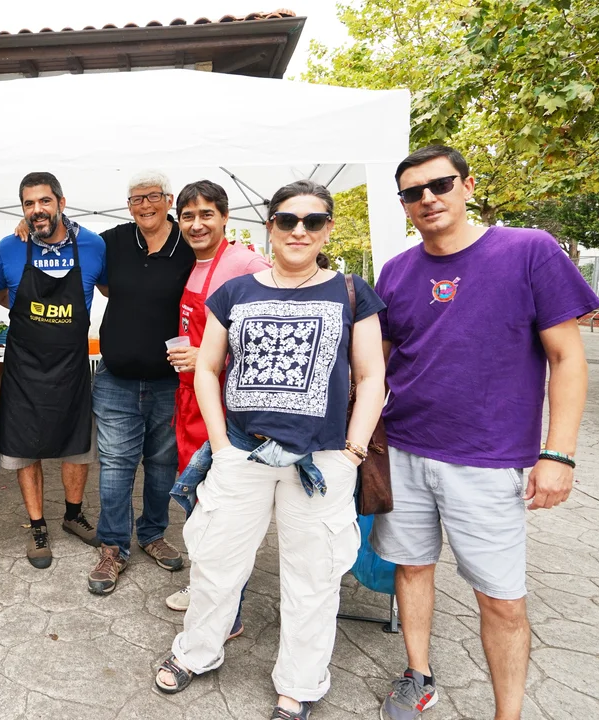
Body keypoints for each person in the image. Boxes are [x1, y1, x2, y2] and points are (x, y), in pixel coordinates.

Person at [372, 146, 599, 720]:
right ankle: (418, 675)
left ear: (468, 186)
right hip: (404, 448)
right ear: (404, 204)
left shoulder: (529, 250)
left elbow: (567, 358)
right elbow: (380, 362)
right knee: (411, 567)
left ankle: (508, 714)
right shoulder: (395, 271)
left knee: (501, 599)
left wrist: (559, 454)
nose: (428, 198)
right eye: (413, 192)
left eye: (441, 184)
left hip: (487, 457)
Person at [154, 180, 386, 720]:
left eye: (312, 220)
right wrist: (219, 444)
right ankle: (197, 651)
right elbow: (208, 369)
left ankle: (299, 684)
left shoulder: (352, 292)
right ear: (270, 226)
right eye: (287, 220)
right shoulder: (235, 292)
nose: (299, 230)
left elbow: (372, 376)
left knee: (313, 578)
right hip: (242, 453)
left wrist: (352, 452)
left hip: (321, 461)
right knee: (215, 563)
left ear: (328, 228)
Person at [163, 180, 270, 620]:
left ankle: (227, 608)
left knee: (224, 504)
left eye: (207, 214)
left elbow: (269, 337)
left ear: (225, 216)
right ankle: (207, 582)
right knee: (198, 496)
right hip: (191, 398)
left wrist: (213, 356)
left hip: (226, 402)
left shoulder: (248, 263)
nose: (197, 224)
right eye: (188, 216)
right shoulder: (192, 263)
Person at [85, 171, 194, 595]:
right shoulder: (113, 241)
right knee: (116, 465)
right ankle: (113, 546)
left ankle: (152, 533)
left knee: (163, 464)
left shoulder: (187, 242)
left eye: (152, 196)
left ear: (169, 199)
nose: (144, 205)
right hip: (116, 380)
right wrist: (27, 227)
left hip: (170, 381)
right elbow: (70, 243)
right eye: (136, 199)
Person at [0, 171, 107, 569]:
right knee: (26, 447)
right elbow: (0, 293)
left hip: (72, 366)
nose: (37, 209)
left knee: (77, 442)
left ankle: (73, 515)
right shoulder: (9, 247)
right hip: (24, 368)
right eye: (29, 203)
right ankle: (37, 524)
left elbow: (112, 289)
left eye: (44, 201)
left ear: (61, 202)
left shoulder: (93, 245)